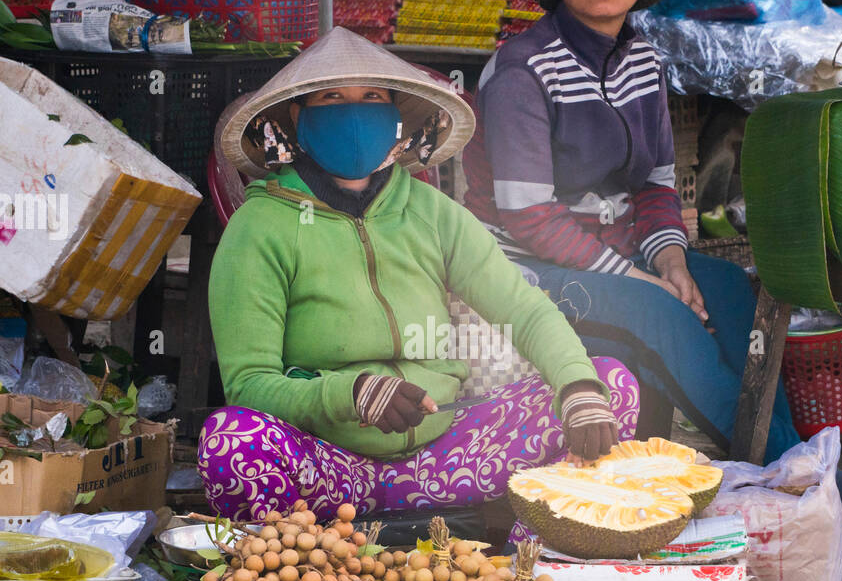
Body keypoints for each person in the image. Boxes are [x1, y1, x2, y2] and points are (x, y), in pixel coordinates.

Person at [200, 28, 639, 522]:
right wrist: (350, 394)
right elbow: (248, 385)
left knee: (609, 384)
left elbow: (524, 309)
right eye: (330, 98)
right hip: (329, 469)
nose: (353, 111)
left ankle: (527, 558)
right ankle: (317, 561)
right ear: (298, 118)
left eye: (371, 97)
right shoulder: (260, 226)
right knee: (230, 443)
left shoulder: (431, 211)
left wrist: (578, 389)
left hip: (449, 453)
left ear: (393, 116)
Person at [471, 0, 807, 462]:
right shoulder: (521, 71)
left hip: (619, 255)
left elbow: (654, 185)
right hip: (523, 272)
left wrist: (671, 261)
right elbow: (529, 218)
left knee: (728, 289)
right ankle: (782, 467)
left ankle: (789, 457)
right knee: (660, 313)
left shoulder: (643, 61)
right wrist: (638, 279)